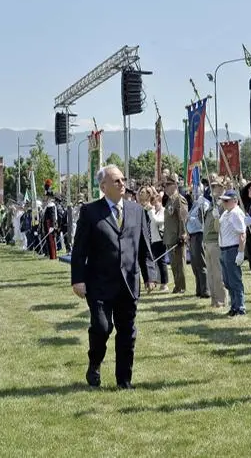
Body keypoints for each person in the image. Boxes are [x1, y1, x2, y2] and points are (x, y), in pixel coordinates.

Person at [71, 165, 156, 389]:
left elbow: (144, 245)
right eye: (116, 181)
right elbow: (79, 249)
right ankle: (95, 363)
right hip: (99, 282)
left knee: (127, 331)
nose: (122, 184)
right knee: (101, 327)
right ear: (103, 186)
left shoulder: (136, 210)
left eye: (123, 180)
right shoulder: (90, 212)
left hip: (128, 282)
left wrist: (150, 274)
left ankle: (124, 381)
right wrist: (77, 279)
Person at [218, 189, 248, 316]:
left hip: (232, 249)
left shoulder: (236, 213)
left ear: (235, 200)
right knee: (228, 280)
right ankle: (234, 306)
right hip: (224, 249)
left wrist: (241, 252)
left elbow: (242, 234)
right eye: (223, 200)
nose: (224, 203)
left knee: (235, 280)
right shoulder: (226, 213)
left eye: (226, 200)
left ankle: (240, 307)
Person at [203, 179, 228, 308]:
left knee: (218, 274)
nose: (213, 188)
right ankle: (214, 299)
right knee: (210, 273)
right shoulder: (212, 204)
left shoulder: (223, 203)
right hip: (208, 241)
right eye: (212, 186)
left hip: (216, 241)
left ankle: (221, 299)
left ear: (222, 187)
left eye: (216, 186)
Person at [162, 174, 189, 294]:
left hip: (177, 237)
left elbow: (183, 218)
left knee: (179, 263)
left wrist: (182, 234)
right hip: (170, 236)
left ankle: (181, 287)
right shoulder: (170, 200)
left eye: (168, 185)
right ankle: (177, 286)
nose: (166, 188)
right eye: (165, 185)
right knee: (174, 264)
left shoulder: (179, 199)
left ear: (175, 185)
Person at [139, 187, 169, 292]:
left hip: (159, 239)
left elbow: (158, 221)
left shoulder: (159, 210)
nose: (154, 205)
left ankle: (164, 283)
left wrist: (151, 210)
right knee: (152, 262)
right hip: (150, 239)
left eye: (156, 203)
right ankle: (153, 281)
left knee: (161, 262)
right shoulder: (148, 210)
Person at [186, 187, 210, 298]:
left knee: (201, 263)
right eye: (191, 192)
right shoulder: (195, 204)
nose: (192, 193)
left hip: (199, 234)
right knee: (195, 264)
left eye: (194, 191)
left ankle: (205, 290)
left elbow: (203, 222)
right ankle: (199, 289)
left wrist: (189, 218)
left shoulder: (204, 204)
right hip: (192, 235)